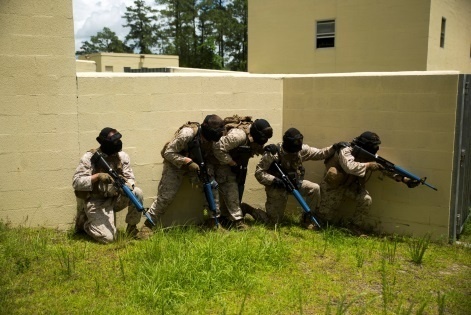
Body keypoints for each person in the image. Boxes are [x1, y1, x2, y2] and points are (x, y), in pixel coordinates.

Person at [138, 114, 225, 238]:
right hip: (175, 164)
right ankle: (147, 226)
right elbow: (168, 153)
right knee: (166, 197)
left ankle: (213, 222)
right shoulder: (188, 134)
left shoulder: (215, 138)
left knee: (212, 187)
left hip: (198, 164)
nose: (218, 134)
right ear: (206, 126)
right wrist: (187, 162)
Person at [318, 131, 420, 234]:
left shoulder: (368, 154)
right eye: (373, 145)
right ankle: (312, 219)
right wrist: (368, 165)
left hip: (351, 186)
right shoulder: (346, 149)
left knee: (366, 200)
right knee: (323, 220)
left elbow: (384, 168)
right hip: (334, 186)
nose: (375, 148)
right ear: (365, 145)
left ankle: (354, 226)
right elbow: (350, 167)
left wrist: (403, 179)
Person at [249, 128, 336, 229]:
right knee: (273, 223)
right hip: (277, 188)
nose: (297, 151)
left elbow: (320, 153)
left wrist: (334, 147)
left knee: (314, 188)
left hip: (295, 184)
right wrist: (274, 180)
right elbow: (259, 173)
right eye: (294, 147)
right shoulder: (273, 153)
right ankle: (249, 209)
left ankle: (306, 220)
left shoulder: (301, 150)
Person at [72, 127, 144, 244]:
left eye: (118, 140)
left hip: (116, 197)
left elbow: (130, 178)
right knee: (108, 239)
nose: (118, 144)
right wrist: (97, 176)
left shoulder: (122, 156)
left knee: (137, 193)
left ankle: (132, 228)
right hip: (97, 201)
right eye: (114, 142)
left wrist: (126, 185)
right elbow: (77, 182)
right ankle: (85, 224)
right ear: (104, 143)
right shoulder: (90, 157)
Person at [213, 116, 273, 230]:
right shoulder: (238, 136)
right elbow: (218, 148)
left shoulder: (255, 136)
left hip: (236, 163)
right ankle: (237, 222)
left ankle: (228, 217)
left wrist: (266, 149)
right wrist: (231, 163)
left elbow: (255, 146)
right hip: (220, 161)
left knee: (237, 187)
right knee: (231, 187)